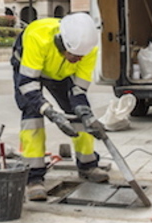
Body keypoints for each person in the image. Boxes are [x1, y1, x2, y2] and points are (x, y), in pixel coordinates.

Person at [11, 12, 109, 202]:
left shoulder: (88, 49)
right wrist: (50, 112)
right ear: (60, 43)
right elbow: (28, 84)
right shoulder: (37, 37)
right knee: (32, 117)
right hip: (29, 70)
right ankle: (34, 178)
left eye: (81, 56)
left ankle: (88, 164)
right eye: (74, 55)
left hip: (61, 73)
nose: (78, 59)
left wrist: (86, 114)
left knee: (79, 116)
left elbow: (79, 90)